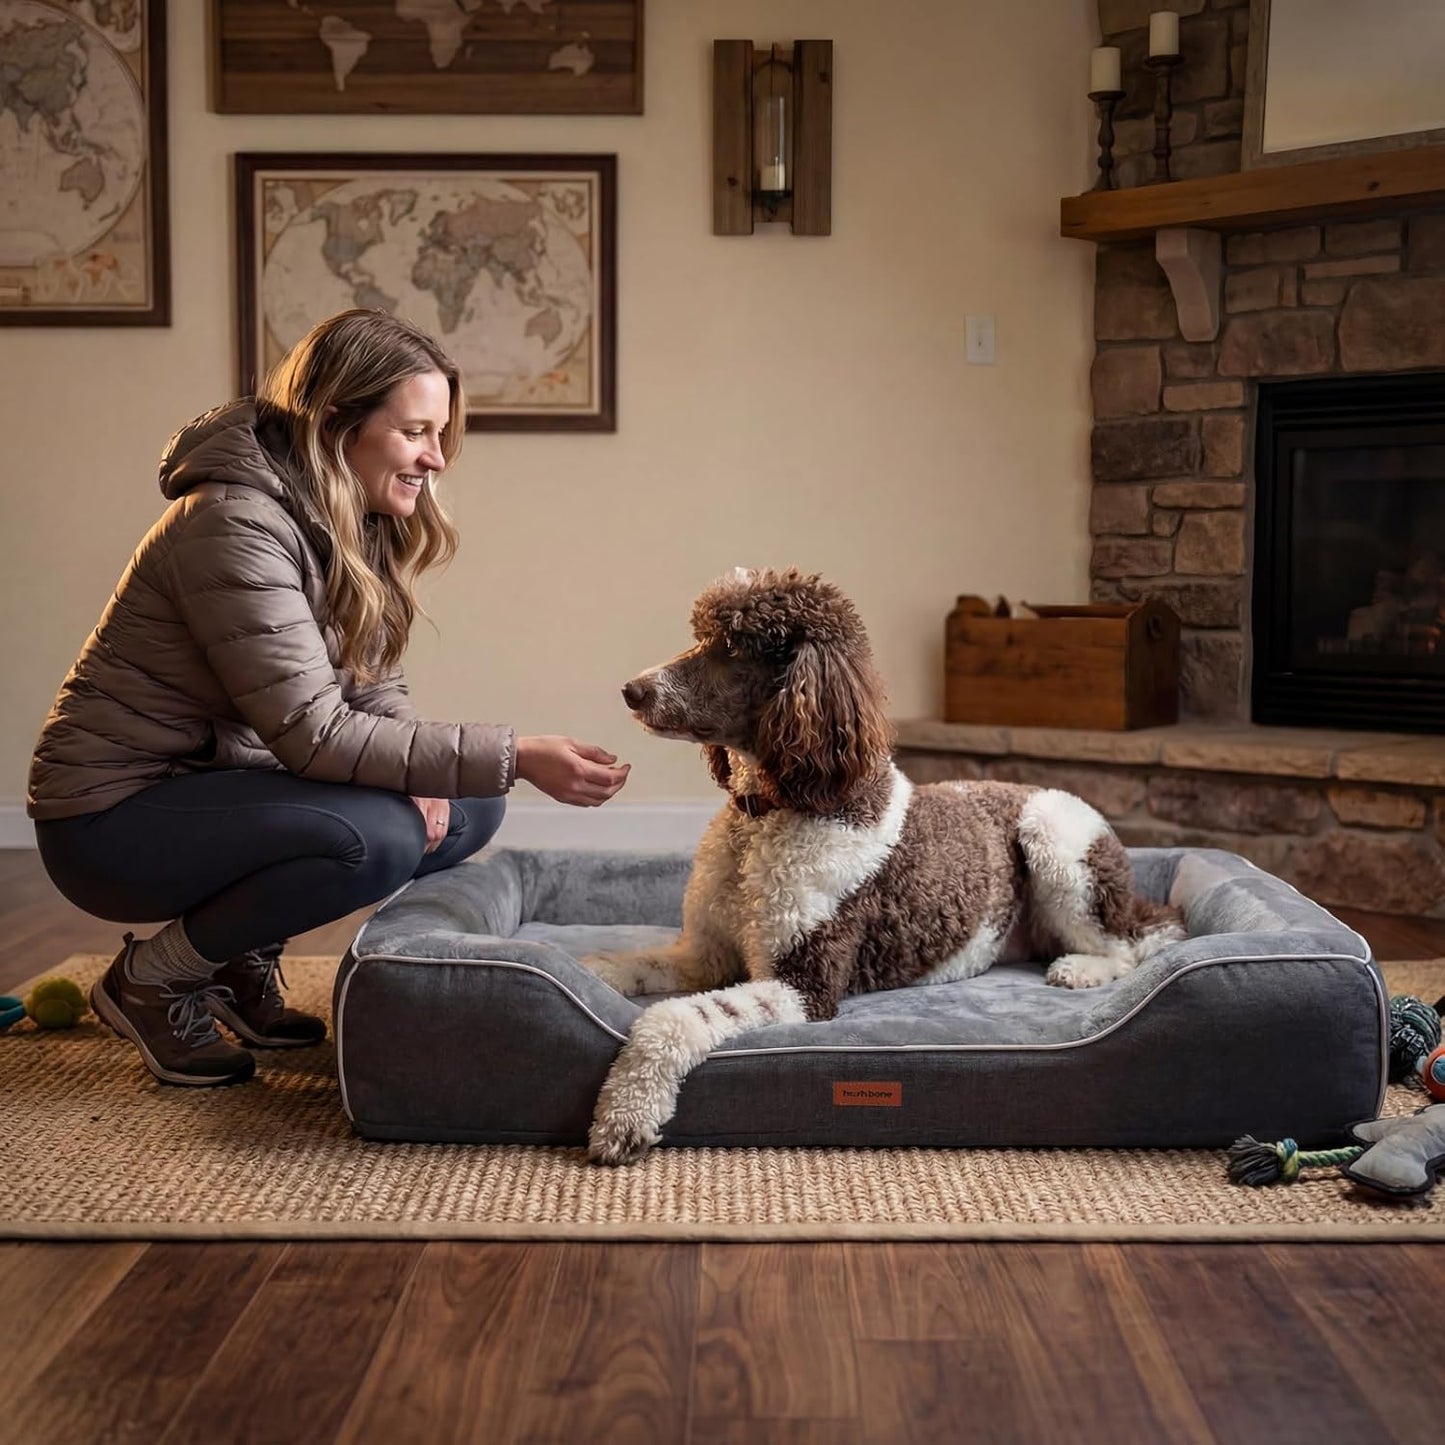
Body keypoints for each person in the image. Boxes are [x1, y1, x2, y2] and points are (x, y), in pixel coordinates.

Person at [28, 309, 630, 1088]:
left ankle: (237, 958)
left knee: (465, 806)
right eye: (416, 431)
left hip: (212, 792)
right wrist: (516, 754)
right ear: (340, 423)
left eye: (440, 434)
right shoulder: (233, 524)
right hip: (109, 821)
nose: (436, 457)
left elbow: (373, 691)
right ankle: (153, 979)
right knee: (377, 835)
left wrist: (451, 775)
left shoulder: (350, 517)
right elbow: (315, 734)